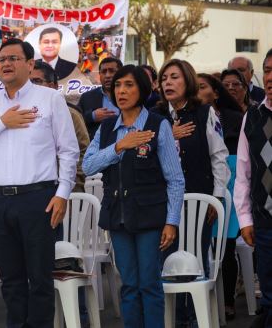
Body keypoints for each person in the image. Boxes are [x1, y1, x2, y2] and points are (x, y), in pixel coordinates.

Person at [0, 38, 79, 328]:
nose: (7, 64)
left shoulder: (49, 99)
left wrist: (62, 193)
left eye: (14, 58)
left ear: (29, 64)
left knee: (39, 277)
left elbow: (68, 150)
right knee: (11, 279)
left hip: (37, 199)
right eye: (3, 59)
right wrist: (2, 122)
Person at [82, 65, 185, 328]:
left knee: (149, 284)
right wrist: (119, 146)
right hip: (118, 216)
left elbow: (175, 179)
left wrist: (172, 222)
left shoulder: (157, 124)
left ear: (142, 89)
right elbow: (88, 166)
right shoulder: (107, 128)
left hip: (150, 217)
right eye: (117, 85)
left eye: (129, 85)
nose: (121, 91)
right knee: (128, 284)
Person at [152, 59, 230, 326]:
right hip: (165, 204)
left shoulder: (204, 112)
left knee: (196, 260)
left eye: (174, 77)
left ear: (187, 80)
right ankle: (175, 320)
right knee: (169, 263)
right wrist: (167, 134)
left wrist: (216, 196)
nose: (168, 83)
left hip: (199, 199)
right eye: (164, 79)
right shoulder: (156, 116)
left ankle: (197, 320)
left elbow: (219, 156)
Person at [197, 73, 244, 319]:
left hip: (231, 184)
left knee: (225, 246)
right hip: (202, 184)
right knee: (201, 245)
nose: (196, 90)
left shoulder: (236, 119)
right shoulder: (189, 118)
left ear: (215, 93)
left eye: (202, 87)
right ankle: (202, 299)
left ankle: (227, 300)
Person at [234, 48, 272, 327]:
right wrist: (245, 219)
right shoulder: (253, 116)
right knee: (269, 296)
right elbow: (244, 173)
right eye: (267, 70)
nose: (270, 77)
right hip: (264, 221)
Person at [30, 60, 90, 192]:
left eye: (36, 81)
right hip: (30, 190)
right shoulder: (21, 114)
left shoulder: (70, 114)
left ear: (52, 86)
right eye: (28, 83)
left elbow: (83, 153)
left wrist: (69, 185)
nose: (31, 86)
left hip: (64, 189)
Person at [77, 57, 123, 140]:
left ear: (121, 73)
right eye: (104, 72)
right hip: (95, 148)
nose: (107, 75)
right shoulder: (87, 97)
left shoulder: (130, 96)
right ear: (99, 74)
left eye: (112, 71)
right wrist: (92, 116)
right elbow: (75, 121)